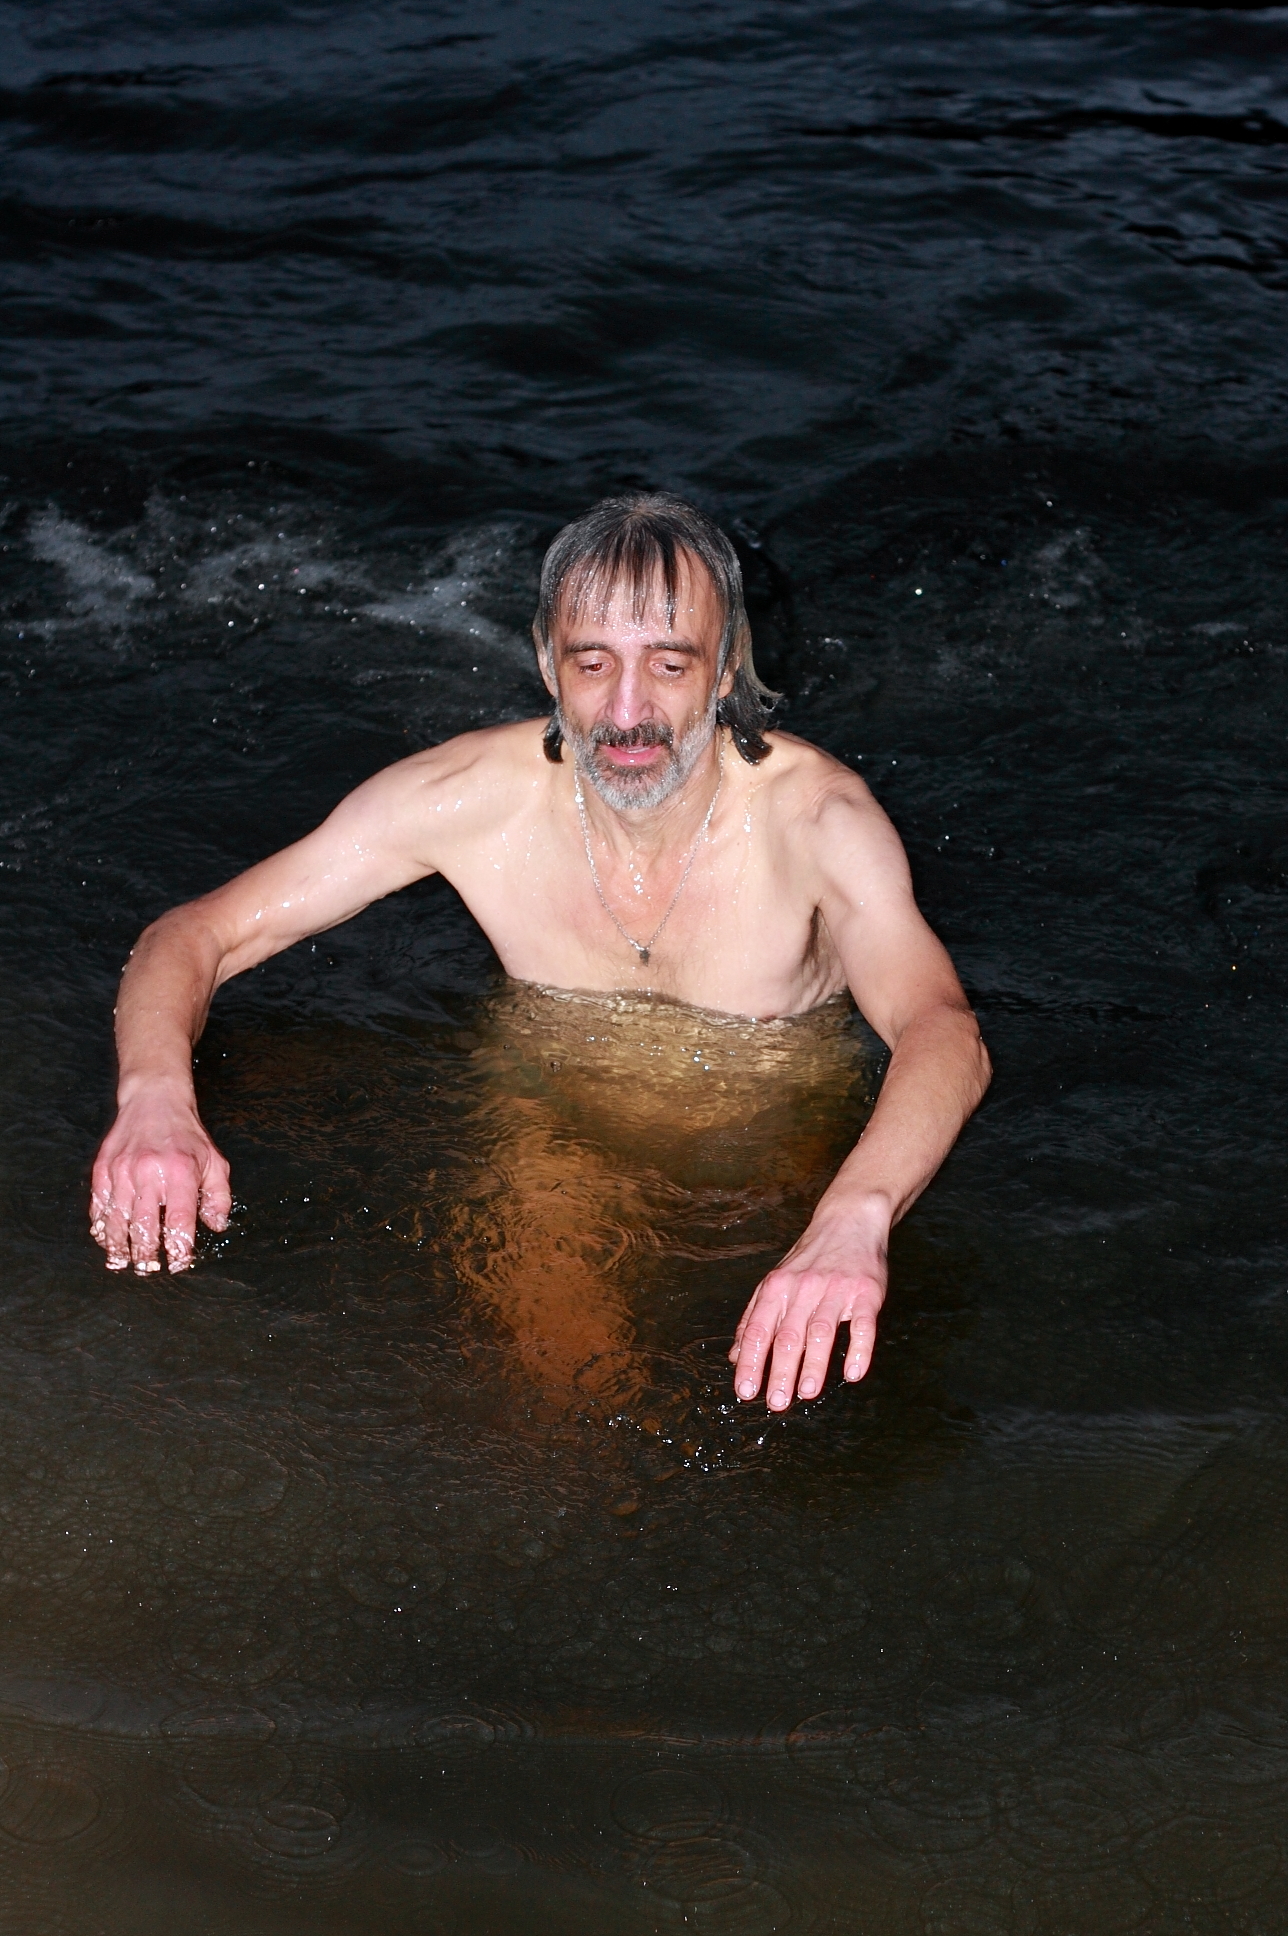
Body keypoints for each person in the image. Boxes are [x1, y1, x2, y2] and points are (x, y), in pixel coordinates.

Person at [89, 493, 990, 1411]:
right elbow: (193, 935)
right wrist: (154, 1099)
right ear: (546, 665)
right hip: (554, 1131)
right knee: (563, 1412)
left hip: (783, 1142)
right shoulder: (471, 799)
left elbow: (943, 1030)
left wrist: (855, 1215)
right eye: (592, 664)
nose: (627, 712)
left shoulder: (818, 823)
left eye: (669, 665)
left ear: (725, 670)